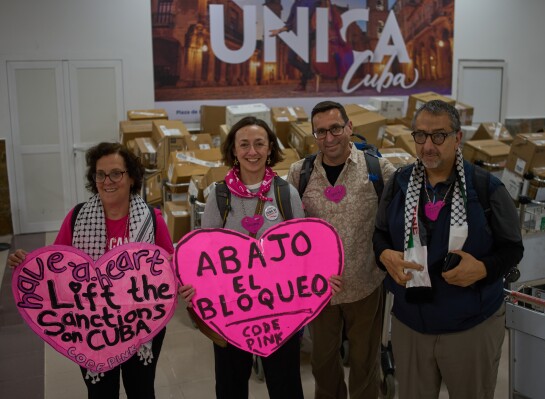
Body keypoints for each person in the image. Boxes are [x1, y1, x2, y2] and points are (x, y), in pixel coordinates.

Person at [178, 116, 342, 399]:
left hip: (280, 311)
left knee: (286, 386)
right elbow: (204, 256)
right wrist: (193, 288)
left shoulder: (285, 193)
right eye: (244, 144)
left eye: (259, 144)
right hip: (231, 311)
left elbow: (302, 252)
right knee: (230, 387)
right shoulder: (218, 196)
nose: (251, 151)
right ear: (233, 150)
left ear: (269, 149)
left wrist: (323, 279)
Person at [373, 100, 524, 399]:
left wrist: (483, 269)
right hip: (411, 323)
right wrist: (384, 254)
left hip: (470, 326)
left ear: (457, 138)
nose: (428, 145)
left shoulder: (486, 189)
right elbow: (380, 234)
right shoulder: (399, 184)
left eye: (439, 136)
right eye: (421, 135)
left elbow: (513, 248)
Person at [7, 142, 175, 399]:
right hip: (91, 327)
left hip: (140, 325)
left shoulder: (152, 220)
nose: (107, 181)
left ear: (131, 178)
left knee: (141, 389)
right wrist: (28, 264)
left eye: (116, 173)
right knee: (101, 392)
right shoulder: (77, 218)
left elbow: (170, 268)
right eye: (100, 174)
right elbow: (55, 269)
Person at [286, 101, 396, 398]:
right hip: (319, 290)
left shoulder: (378, 169)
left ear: (350, 127)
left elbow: (398, 220)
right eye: (320, 132)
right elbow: (288, 232)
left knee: (365, 362)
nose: (329, 137)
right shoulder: (299, 174)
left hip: (366, 284)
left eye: (335, 128)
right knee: (322, 362)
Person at [269, 0, 318, 92]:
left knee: (305, 61)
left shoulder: (314, 1)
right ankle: (309, 73)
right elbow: (289, 23)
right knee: (291, 58)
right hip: (295, 34)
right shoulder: (295, 4)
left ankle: (302, 85)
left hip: (307, 33)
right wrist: (279, 30)